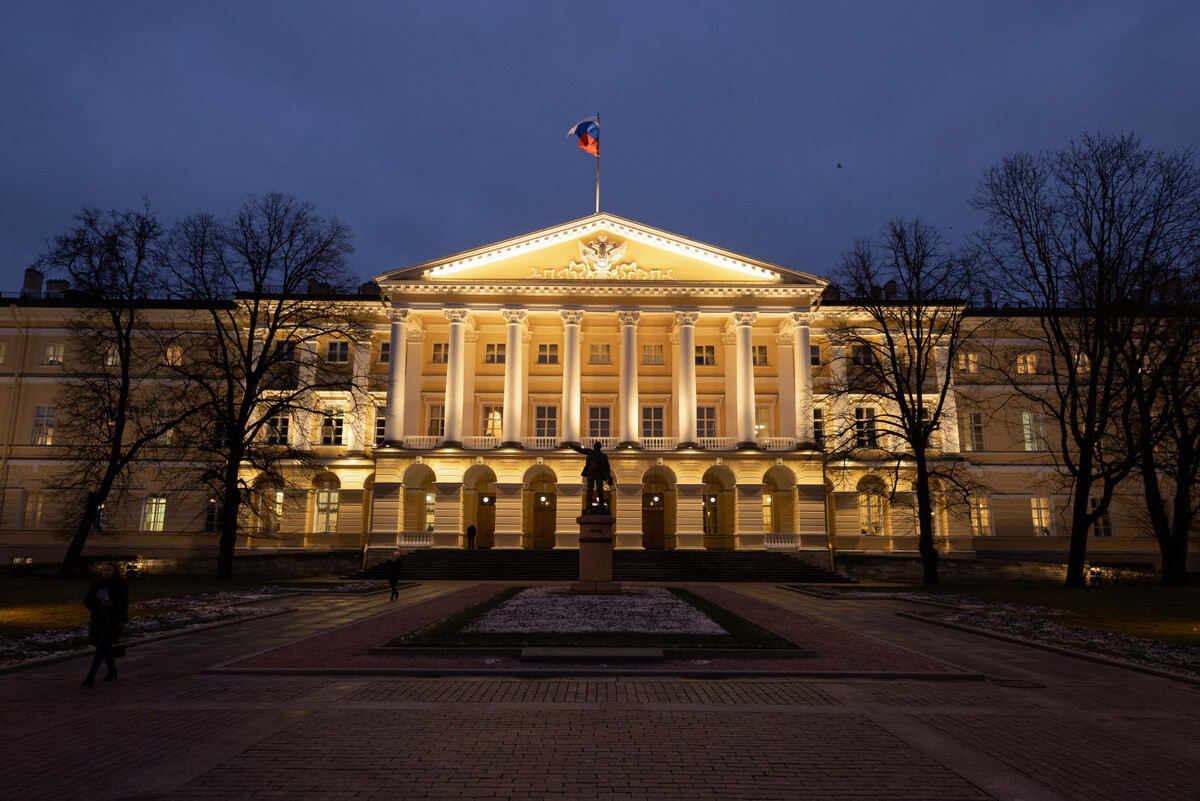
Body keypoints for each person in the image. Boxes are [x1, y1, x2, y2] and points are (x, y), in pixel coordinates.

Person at [82, 561, 129, 687]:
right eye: (104, 570)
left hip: (112, 621)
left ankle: (91, 676)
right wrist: (99, 605)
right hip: (98, 620)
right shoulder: (97, 585)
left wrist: (121, 619)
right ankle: (112, 670)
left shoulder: (119, 585)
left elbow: (123, 604)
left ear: (114, 572)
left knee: (101, 648)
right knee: (105, 647)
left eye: (109, 570)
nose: (106, 572)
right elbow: (87, 601)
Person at [569, 441, 615, 513]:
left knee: (600, 489)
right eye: (595, 446)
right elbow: (581, 450)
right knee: (590, 488)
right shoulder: (590, 452)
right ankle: (589, 503)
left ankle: (601, 503)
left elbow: (607, 467)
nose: (596, 447)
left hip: (599, 473)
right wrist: (574, 447)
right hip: (591, 473)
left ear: (599, 447)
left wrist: (609, 476)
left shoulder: (603, 456)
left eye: (597, 446)